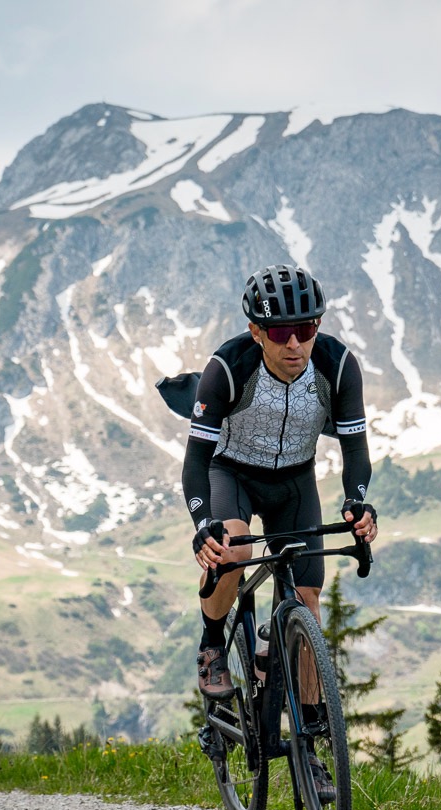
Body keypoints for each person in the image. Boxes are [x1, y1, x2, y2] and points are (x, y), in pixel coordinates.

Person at [180, 264, 378, 754]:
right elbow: (196, 462)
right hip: (231, 474)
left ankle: (310, 743)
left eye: (307, 329)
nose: (295, 344)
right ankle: (212, 644)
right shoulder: (226, 369)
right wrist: (203, 525)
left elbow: (355, 450)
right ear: (256, 332)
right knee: (228, 546)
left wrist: (356, 502)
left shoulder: (337, 365)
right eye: (281, 332)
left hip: (294, 480)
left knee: (307, 599)